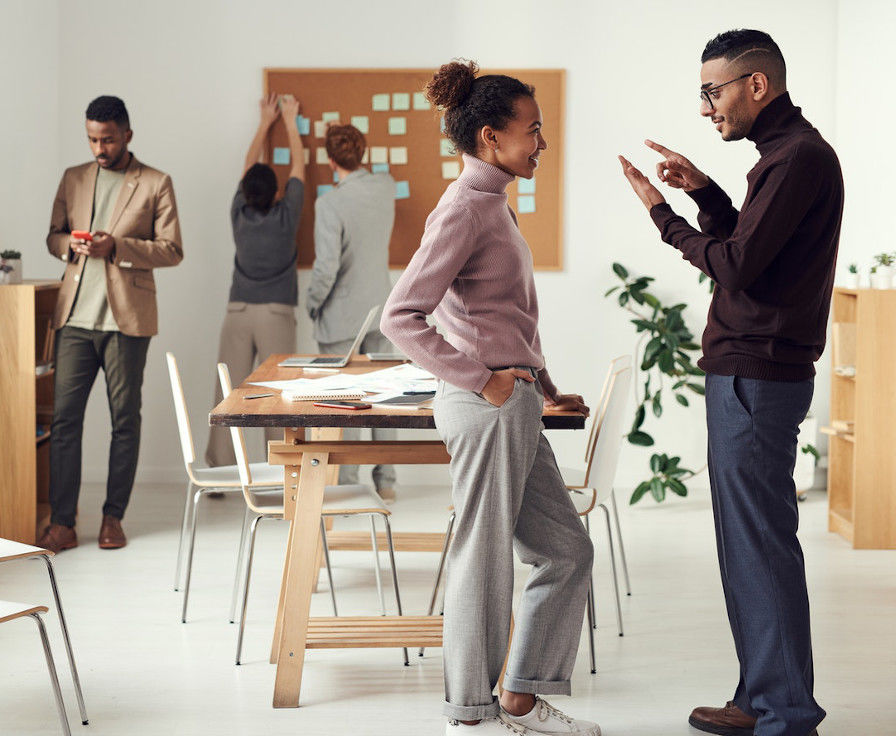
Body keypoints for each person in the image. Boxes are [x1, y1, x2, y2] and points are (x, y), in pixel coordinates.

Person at [619, 29, 840, 736]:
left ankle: (786, 712)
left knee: (761, 547)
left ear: (755, 85)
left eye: (712, 92)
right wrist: (706, 192)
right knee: (750, 548)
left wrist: (662, 216)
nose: (706, 108)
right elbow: (758, 249)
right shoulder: (783, 157)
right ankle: (762, 697)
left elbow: (738, 266)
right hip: (751, 374)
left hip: (756, 377)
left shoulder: (796, 158)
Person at [381, 60, 598, 736]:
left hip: (516, 399)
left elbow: (496, 312)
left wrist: (541, 378)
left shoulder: (489, 202)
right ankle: (472, 715)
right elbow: (401, 315)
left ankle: (520, 700)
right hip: (487, 406)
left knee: (566, 552)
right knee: (484, 556)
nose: (542, 143)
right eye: (532, 131)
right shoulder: (465, 208)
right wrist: (486, 379)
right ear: (488, 136)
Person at [40, 95, 183, 552]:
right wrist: (72, 246)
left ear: (127, 135)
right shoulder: (74, 178)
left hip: (127, 322)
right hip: (75, 319)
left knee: (125, 421)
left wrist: (116, 247)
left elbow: (172, 249)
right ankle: (62, 522)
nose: (99, 148)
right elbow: (53, 235)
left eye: (107, 139)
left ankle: (112, 518)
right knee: (64, 422)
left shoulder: (156, 183)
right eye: (92, 139)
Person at [205, 93, 306, 467]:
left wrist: (265, 121)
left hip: (238, 310)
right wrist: (292, 121)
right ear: (278, 194)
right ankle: (282, 468)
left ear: (245, 193)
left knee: (227, 391)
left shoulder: (239, 213)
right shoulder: (287, 216)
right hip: (277, 313)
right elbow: (299, 167)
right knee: (279, 393)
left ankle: (217, 466)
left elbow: (249, 165)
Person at [307, 123, 397, 502]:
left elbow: (326, 267)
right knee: (385, 395)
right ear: (362, 154)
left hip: (343, 316)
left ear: (330, 161)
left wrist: (312, 303)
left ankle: (348, 483)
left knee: (346, 400)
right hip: (382, 307)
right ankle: (387, 481)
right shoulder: (386, 188)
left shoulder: (329, 204)